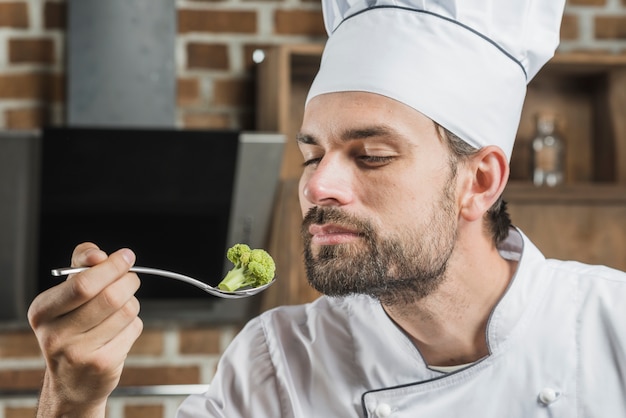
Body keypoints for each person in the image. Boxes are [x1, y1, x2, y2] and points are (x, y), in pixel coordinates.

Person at [27, 0, 626, 416]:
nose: (318, 187)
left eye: (369, 155)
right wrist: (72, 401)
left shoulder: (612, 328)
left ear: (480, 180)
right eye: (313, 156)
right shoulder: (278, 361)